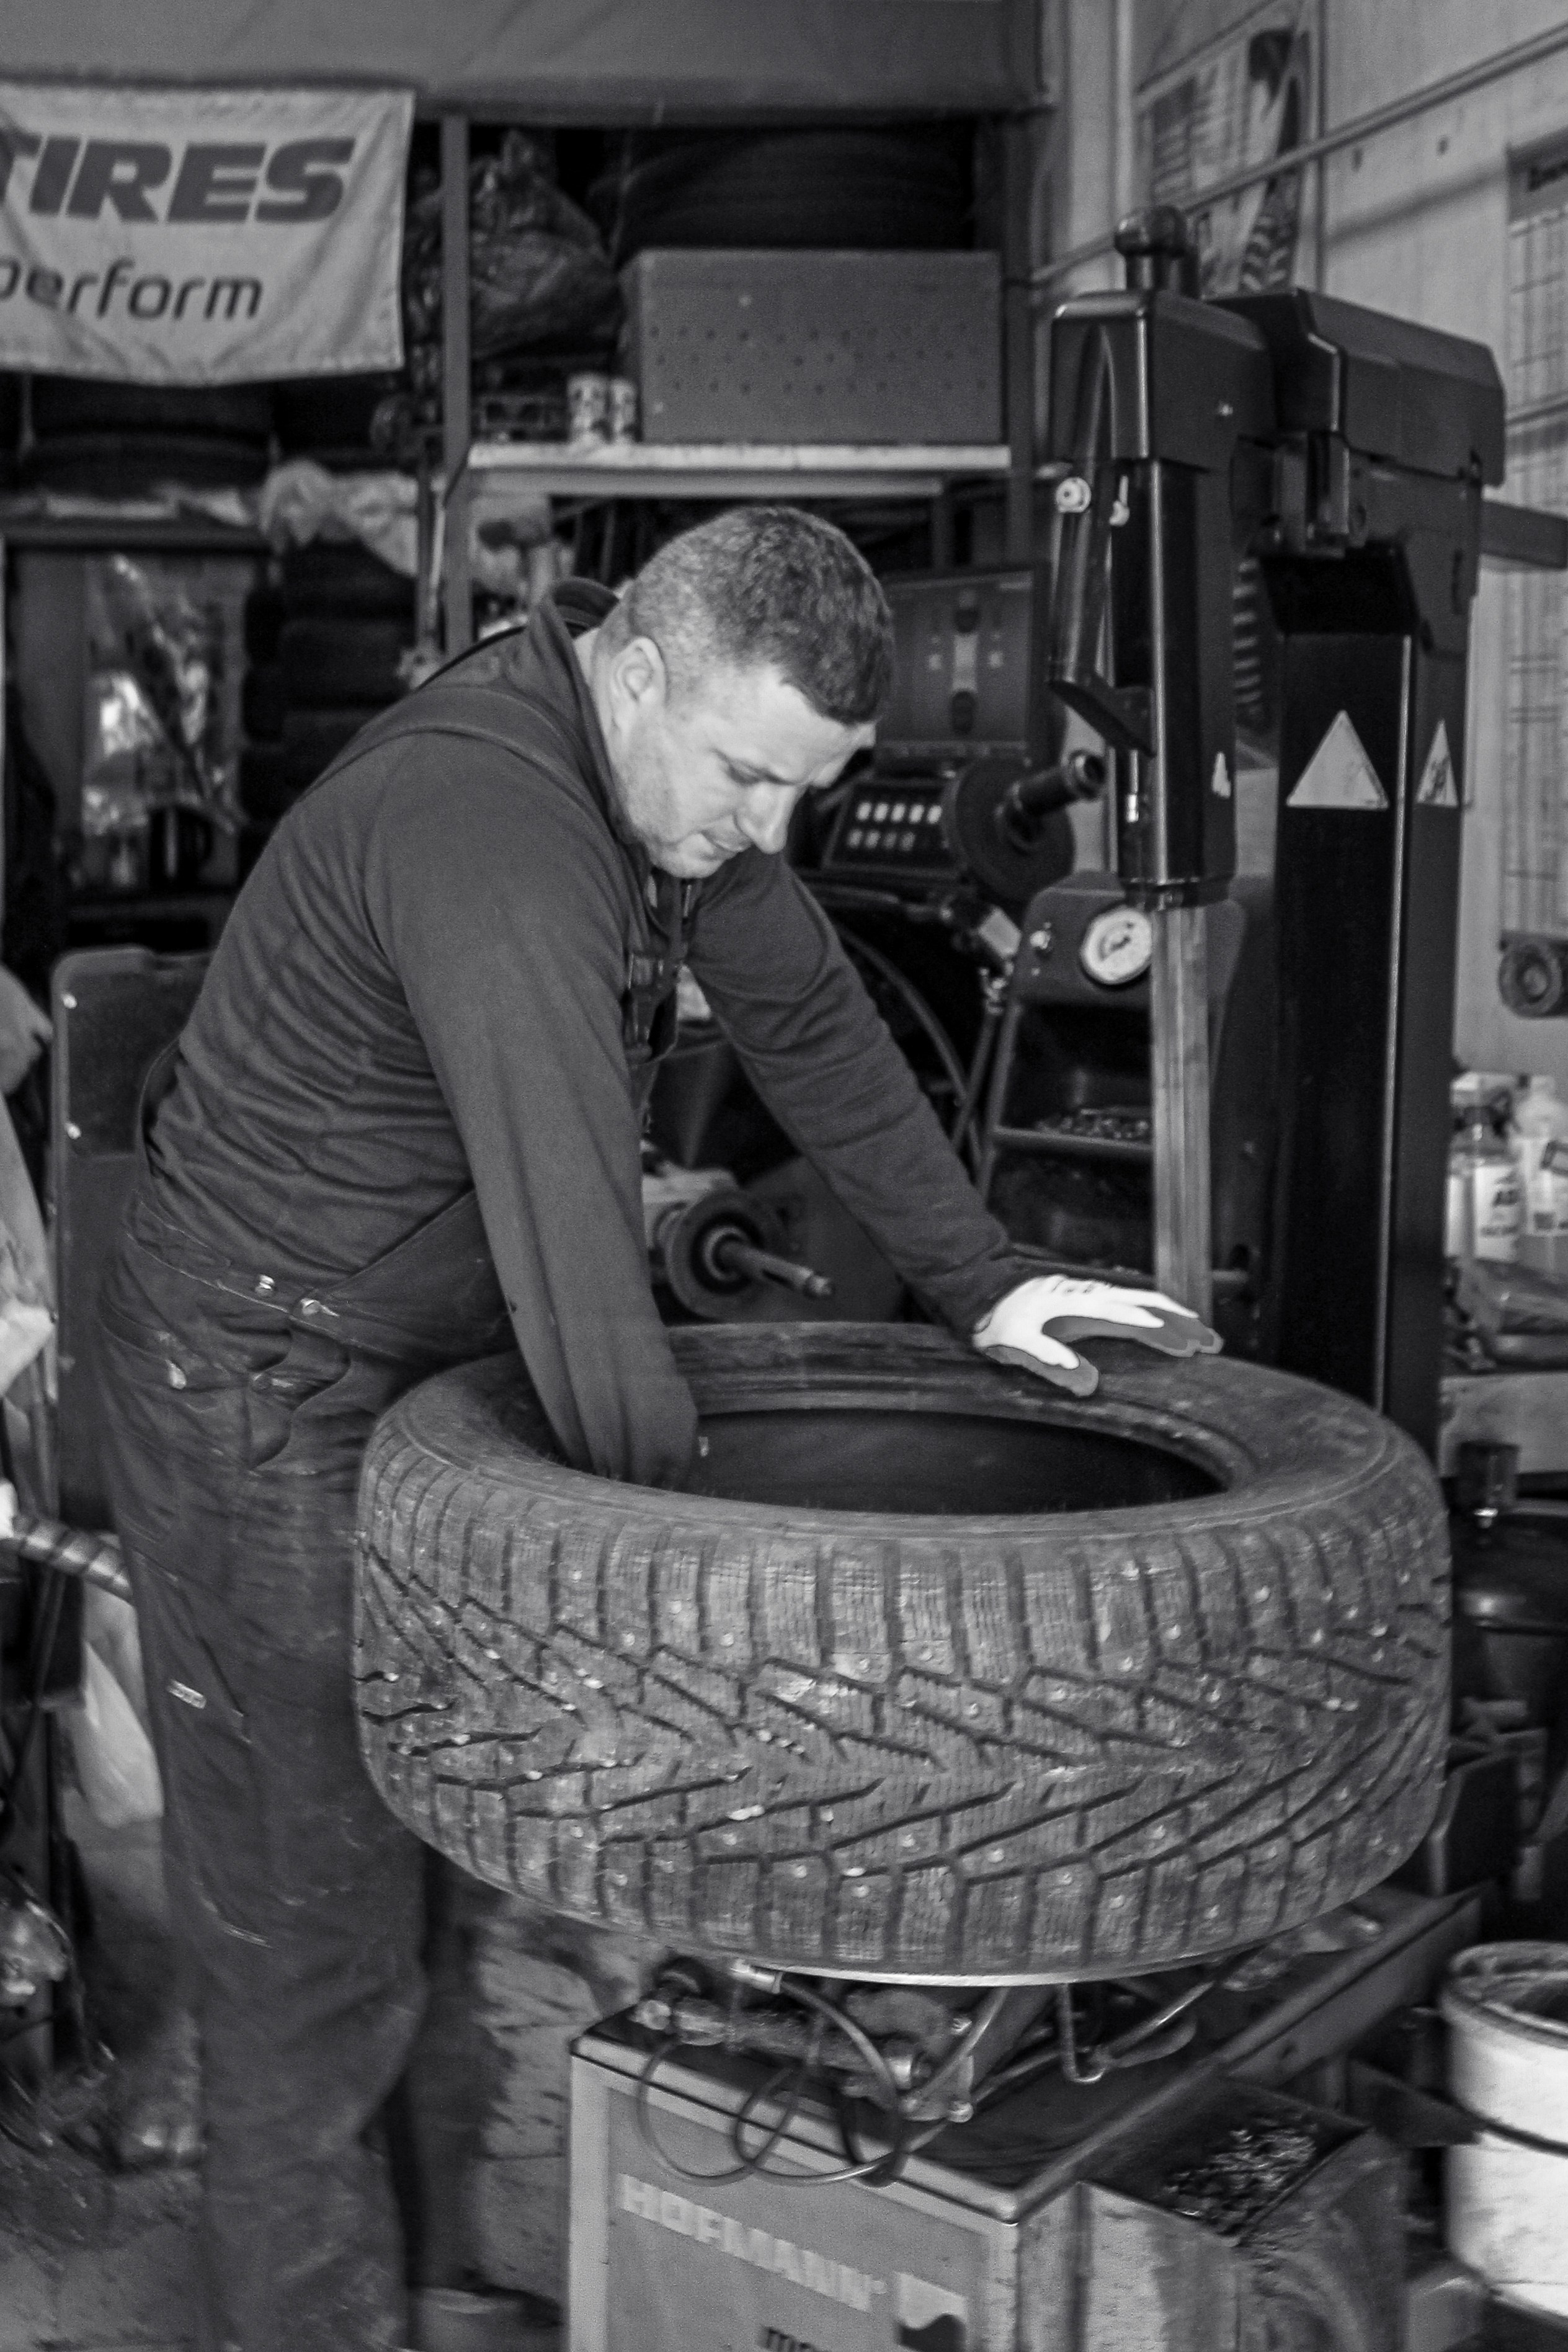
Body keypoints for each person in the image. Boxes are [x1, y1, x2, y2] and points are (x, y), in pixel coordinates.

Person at [97, 506, 1215, 2352]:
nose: (761, 833)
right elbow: (573, 1268)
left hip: (403, 1356)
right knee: (312, 1934)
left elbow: (817, 1021)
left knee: (432, 1871)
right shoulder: (501, 840)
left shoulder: (661, 779)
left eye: (806, 792)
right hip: (257, 1382)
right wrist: (694, 1620)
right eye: (750, 778)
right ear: (638, 673)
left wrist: (982, 1277)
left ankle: (425, 2284)